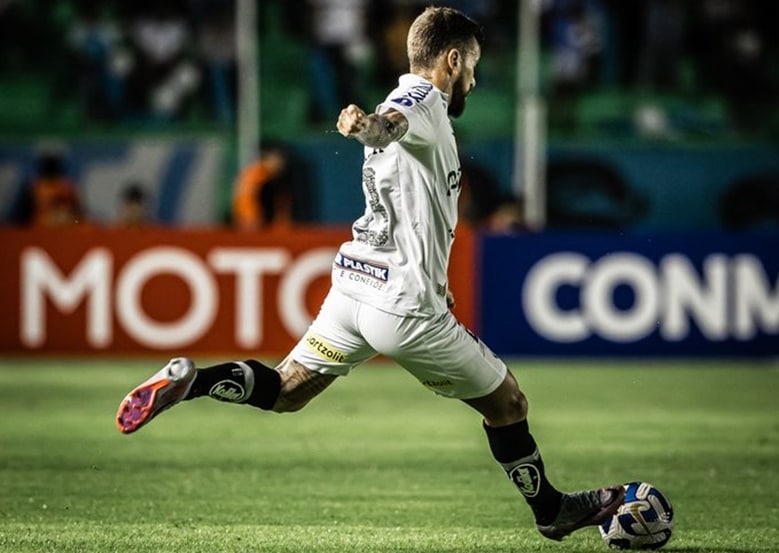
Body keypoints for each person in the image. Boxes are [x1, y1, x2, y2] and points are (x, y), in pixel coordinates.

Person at [115, 6, 623, 542]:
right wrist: (368, 127)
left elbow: (392, 131)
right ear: (452, 60)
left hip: (354, 289)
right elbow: (393, 124)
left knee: (288, 389)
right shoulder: (423, 100)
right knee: (508, 403)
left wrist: (373, 127)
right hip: (404, 308)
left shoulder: (411, 103)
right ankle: (551, 511)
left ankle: (192, 382)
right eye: (472, 66)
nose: (473, 79)